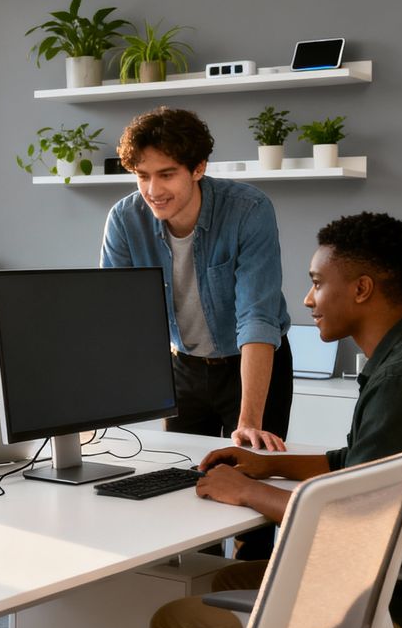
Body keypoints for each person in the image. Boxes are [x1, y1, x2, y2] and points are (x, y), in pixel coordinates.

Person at [148, 212, 402, 628]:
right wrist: (268, 465)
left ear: (361, 289)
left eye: (316, 284)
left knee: (178, 626)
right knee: (221, 582)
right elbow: (359, 466)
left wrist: (247, 491)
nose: (308, 301)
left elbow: (350, 520)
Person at [101, 106, 293, 453]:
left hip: (251, 362)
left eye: (167, 174)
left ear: (198, 168)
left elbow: (257, 317)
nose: (153, 189)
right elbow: (118, 314)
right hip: (184, 366)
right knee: (179, 472)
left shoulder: (249, 210)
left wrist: (248, 421)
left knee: (250, 470)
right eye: (142, 175)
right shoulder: (124, 220)